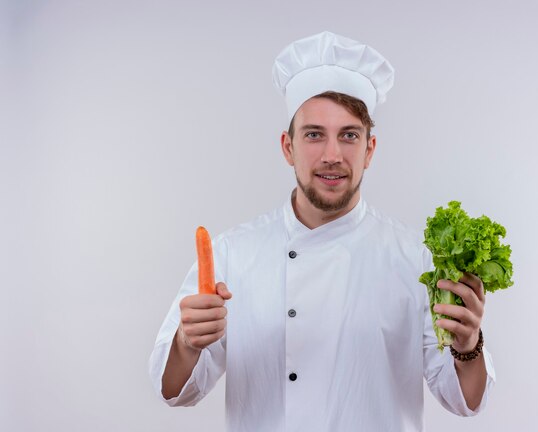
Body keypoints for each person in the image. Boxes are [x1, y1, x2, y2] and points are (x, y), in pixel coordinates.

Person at [149, 31, 495, 432]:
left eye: (349, 135)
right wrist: (186, 343)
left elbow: (464, 402)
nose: (332, 155)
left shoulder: (415, 258)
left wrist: (468, 348)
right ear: (287, 147)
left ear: (369, 149)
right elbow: (172, 390)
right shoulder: (233, 253)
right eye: (314, 134)